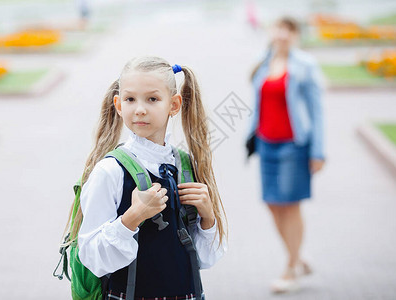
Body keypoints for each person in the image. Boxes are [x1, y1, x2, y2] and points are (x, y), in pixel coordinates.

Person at [71, 56, 227, 299]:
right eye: (130, 99)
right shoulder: (110, 171)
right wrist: (133, 217)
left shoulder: (185, 165)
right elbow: (92, 257)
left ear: (174, 105)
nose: (140, 109)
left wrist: (207, 217)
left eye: (152, 99)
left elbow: (205, 259)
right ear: (119, 105)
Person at [246, 17, 325, 293]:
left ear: (295, 35)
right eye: (278, 28)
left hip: (294, 145)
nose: (281, 34)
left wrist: (318, 151)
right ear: (271, 32)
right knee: (272, 203)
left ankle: (290, 268)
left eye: (288, 30)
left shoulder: (305, 66)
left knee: (290, 205)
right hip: (267, 144)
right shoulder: (263, 61)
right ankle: (298, 253)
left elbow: (317, 111)